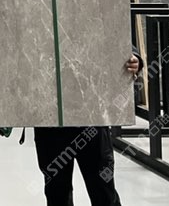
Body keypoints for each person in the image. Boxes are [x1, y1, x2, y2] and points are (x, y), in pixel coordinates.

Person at [33, 54, 142, 206]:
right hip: (51, 122)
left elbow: (118, 44)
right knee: (57, 193)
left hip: (92, 120)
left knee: (103, 191)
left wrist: (135, 60)